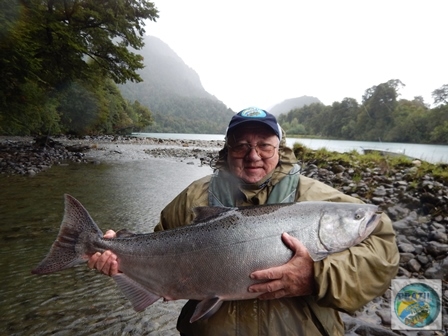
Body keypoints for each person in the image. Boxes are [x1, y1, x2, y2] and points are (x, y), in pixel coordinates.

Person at [88, 107, 399, 335]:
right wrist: (118, 256)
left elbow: (383, 255)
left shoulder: (319, 199)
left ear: (280, 147)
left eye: (264, 144)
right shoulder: (193, 197)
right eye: (242, 145)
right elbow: (156, 249)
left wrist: (317, 275)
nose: (254, 155)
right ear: (228, 149)